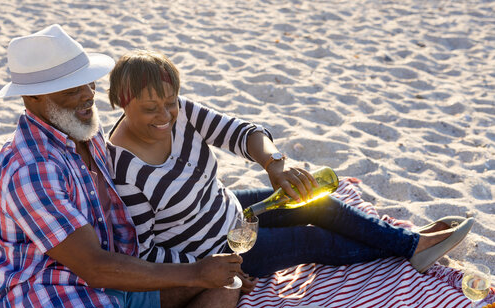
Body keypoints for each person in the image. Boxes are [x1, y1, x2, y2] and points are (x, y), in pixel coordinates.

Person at [107, 49, 474, 286]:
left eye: (169, 103)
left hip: (233, 209)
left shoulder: (180, 111)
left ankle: (411, 244)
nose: (165, 115)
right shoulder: (124, 170)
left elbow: (241, 132)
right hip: (218, 249)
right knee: (312, 238)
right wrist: (214, 272)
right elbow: (147, 252)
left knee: (315, 200)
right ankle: (408, 248)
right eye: (150, 108)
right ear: (122, 103)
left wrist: (273, 164)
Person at [0, 24, 243, 308]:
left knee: (225, 285)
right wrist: (194, 271)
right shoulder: (31, 168)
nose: (87, 95)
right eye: (69, 90)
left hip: (111, 286)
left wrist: (204, 271)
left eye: (88, 82)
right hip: (51, 303)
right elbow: (93, 266)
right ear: (32, 97)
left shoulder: (83, 129)